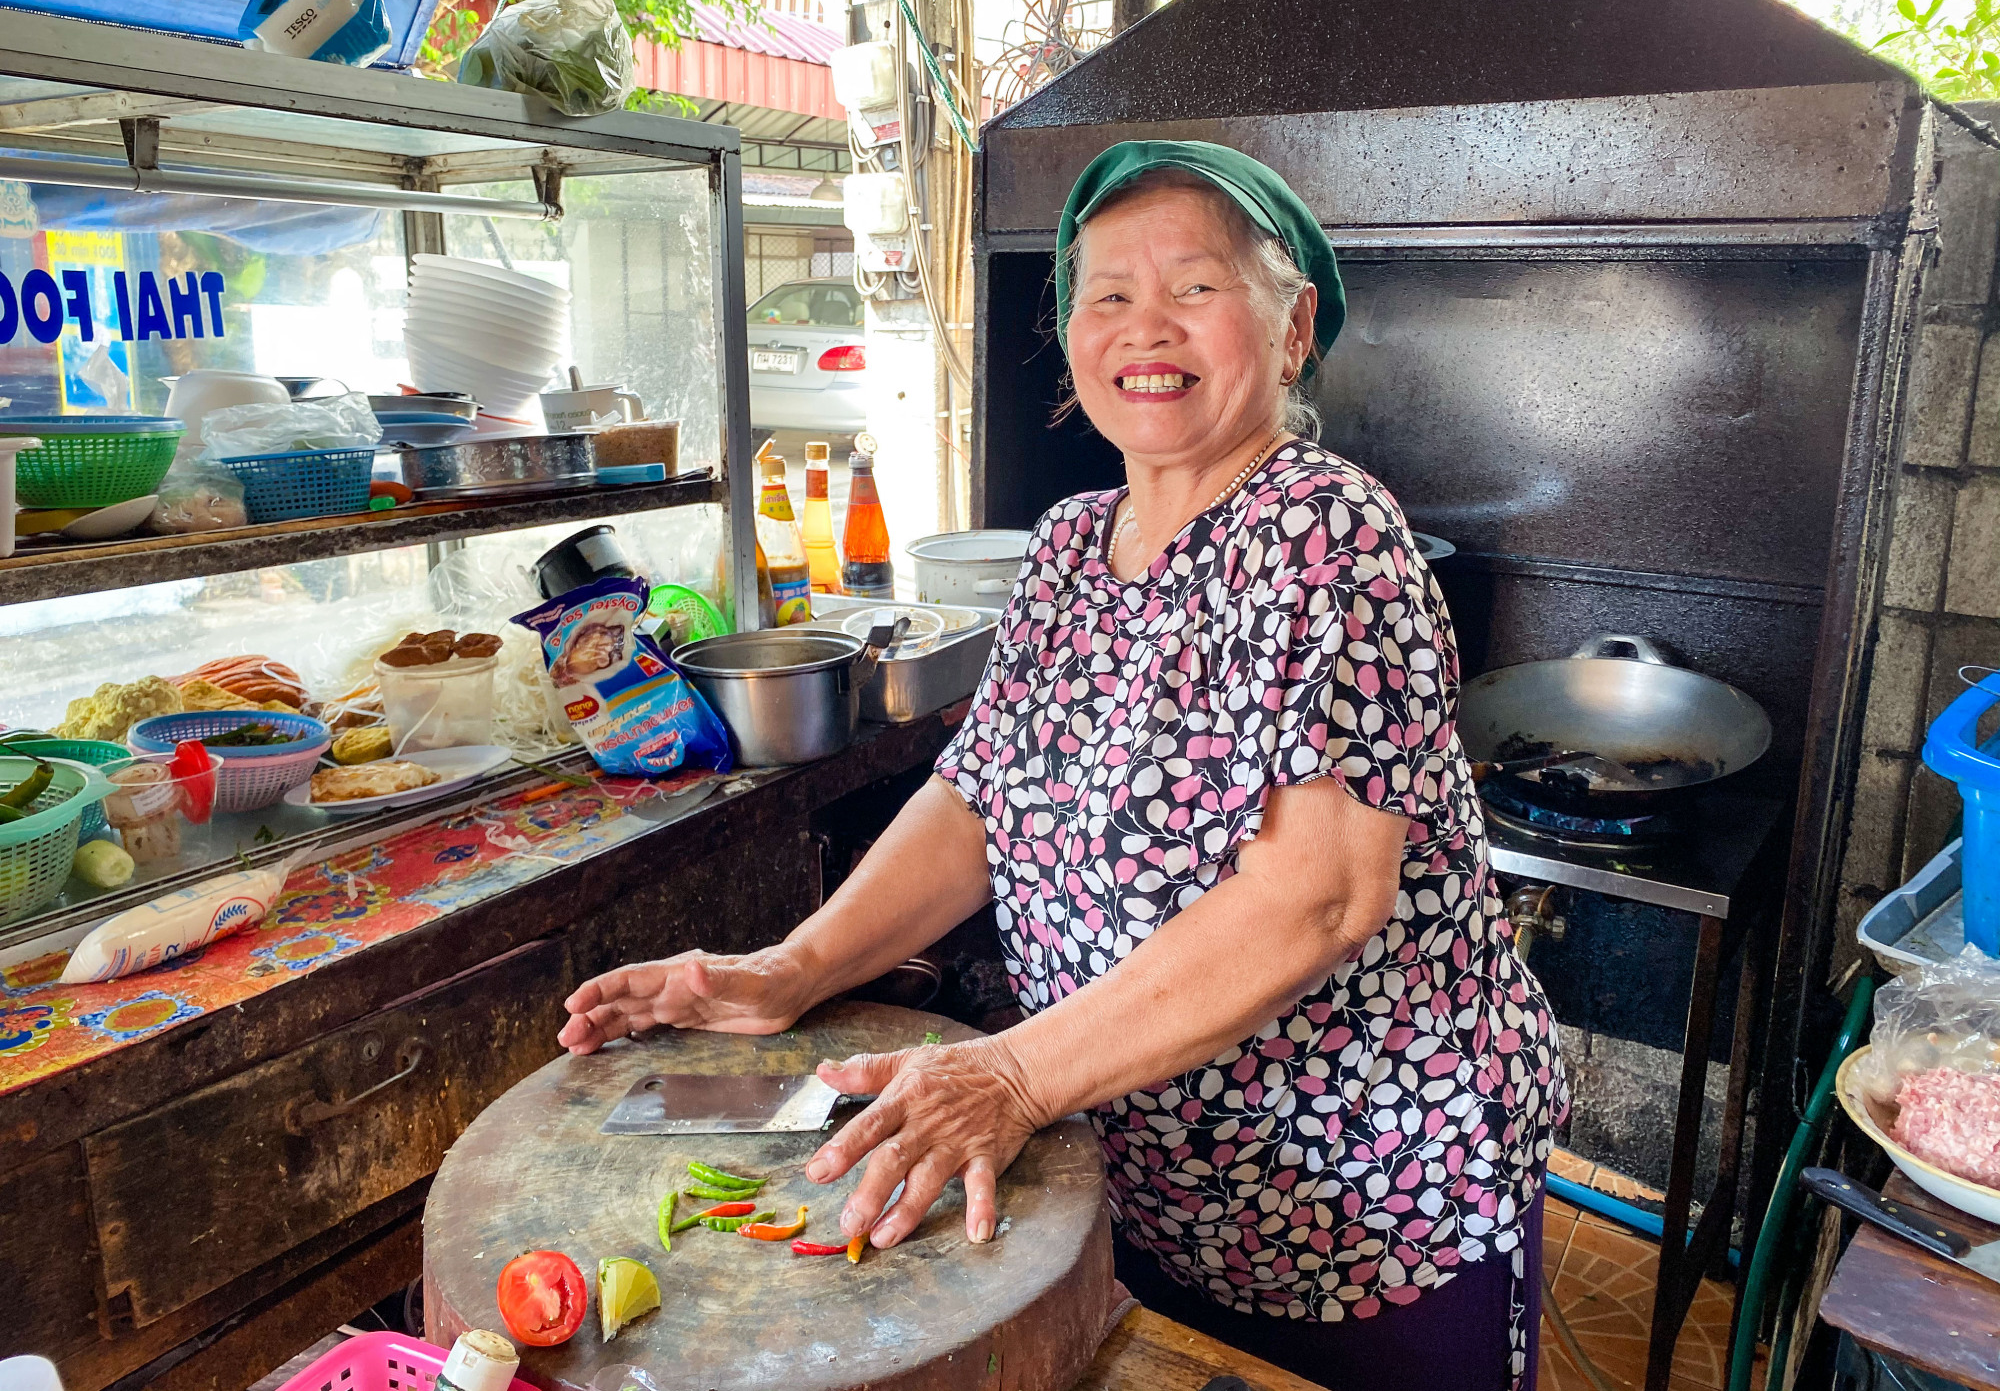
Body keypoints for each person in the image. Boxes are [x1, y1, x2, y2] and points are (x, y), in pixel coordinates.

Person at [558, 140, 1566, 1391]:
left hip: (1370, 1194)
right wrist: (788, 969)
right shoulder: (1071, 545)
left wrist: (1008, 1073)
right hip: (1143, 1167)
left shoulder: (1325, 532)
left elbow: (1316, 897)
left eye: (1194, 287)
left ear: (1292, 326)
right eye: (1108, 294)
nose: (1146, 327)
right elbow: (976, 802)